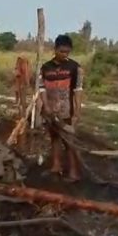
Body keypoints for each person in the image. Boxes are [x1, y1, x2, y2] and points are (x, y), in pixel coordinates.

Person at [38, 34, 84, 182]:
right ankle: (56, 167)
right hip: (50, 112)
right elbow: (42, 88)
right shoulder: (45, 68)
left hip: (67, 112)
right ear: (55, 49)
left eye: (67, 52)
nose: (65, 55)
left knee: (69, 142)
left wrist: (77, 112)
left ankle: (74, 173)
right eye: (62, 51)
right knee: (54, 139)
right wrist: (46, 106)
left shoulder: (75, 67)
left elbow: (78, 90)